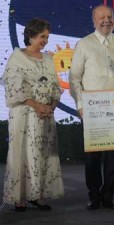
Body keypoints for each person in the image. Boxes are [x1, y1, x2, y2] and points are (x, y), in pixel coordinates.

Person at [69, 5, 114, 210]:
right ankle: (94, 195)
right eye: (102, 17)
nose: (106, 20)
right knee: (93, 157)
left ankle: (109, 195)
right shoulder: (84, 44)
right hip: (93, 110)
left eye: (110, 17)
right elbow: (74, 78)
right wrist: (80, 104)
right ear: (94, 21)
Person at [1, 18, 64, 212]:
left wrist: (51, 106)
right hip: (24, 115)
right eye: (42, 36)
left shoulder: (48, 58)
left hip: (44, 117)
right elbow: (13, 87)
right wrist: (35, 104)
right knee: (22, 153)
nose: (45, 40)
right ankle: (20, 198)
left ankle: (37, 196)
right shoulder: (17, 57)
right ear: (30, 35)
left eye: (47, 37)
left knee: (41, 154)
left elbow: (55, 86)